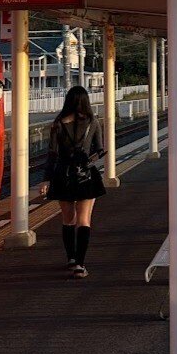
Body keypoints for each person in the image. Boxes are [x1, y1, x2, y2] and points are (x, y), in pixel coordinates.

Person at [38, 86, 106, 277]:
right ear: (86, 101)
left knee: (68, 220)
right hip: (86, 176)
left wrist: (46, 180)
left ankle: (71, 259)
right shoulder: (93, 122)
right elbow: (99, 150)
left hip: (62, 176)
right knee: (84, 220)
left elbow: (52, 154)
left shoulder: (58, 123)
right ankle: (80, 265)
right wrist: (87, 159)